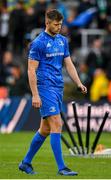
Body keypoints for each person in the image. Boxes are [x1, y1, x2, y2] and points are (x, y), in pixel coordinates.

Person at [18, 9, 87, 176]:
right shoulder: (38, 43)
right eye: (56, 24)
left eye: (61, 24)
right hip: (44, 88)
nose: (59, 27)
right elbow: (31, 70)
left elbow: (69, 64)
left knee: (45, 129)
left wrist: (78, 82)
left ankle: (25, 163)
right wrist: (35, 94)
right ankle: (62, 167)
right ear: (47, 23)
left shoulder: (63, 41)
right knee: (57, 124)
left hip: (58, 87)